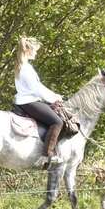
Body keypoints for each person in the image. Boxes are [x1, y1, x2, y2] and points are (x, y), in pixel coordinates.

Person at [13, 36, 64, 166]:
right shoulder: (26, 68)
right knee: (57, 122)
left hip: (26, 100)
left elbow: (38, 87)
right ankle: (47, 155)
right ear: (28, 50)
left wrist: (53, 94)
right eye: (35, 50)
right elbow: (37, 89)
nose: (36, 52)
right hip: (29, 101)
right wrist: (54, 97)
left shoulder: (23, 66)